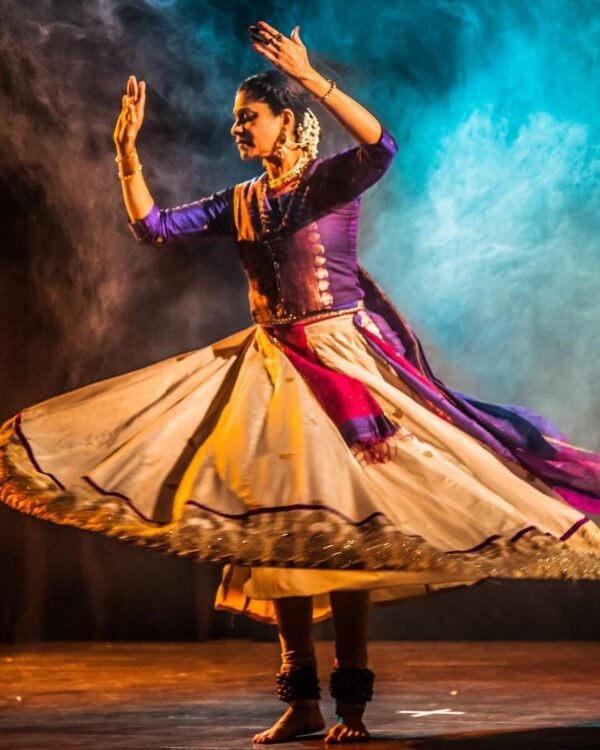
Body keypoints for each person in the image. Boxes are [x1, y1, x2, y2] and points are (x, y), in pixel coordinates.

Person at [1, 18, 599, 746]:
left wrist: (314, 77)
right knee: (278, 534)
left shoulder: (326, 185)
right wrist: (126, 156)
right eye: (234, 121)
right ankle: (302, 700)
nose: (236, 130)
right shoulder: (241, 202)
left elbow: (381, 146)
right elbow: (153, 226)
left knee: (344, 535)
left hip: (342, 361)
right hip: (272, 367)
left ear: (287, 123)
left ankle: (350, 707)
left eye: (247, 118)